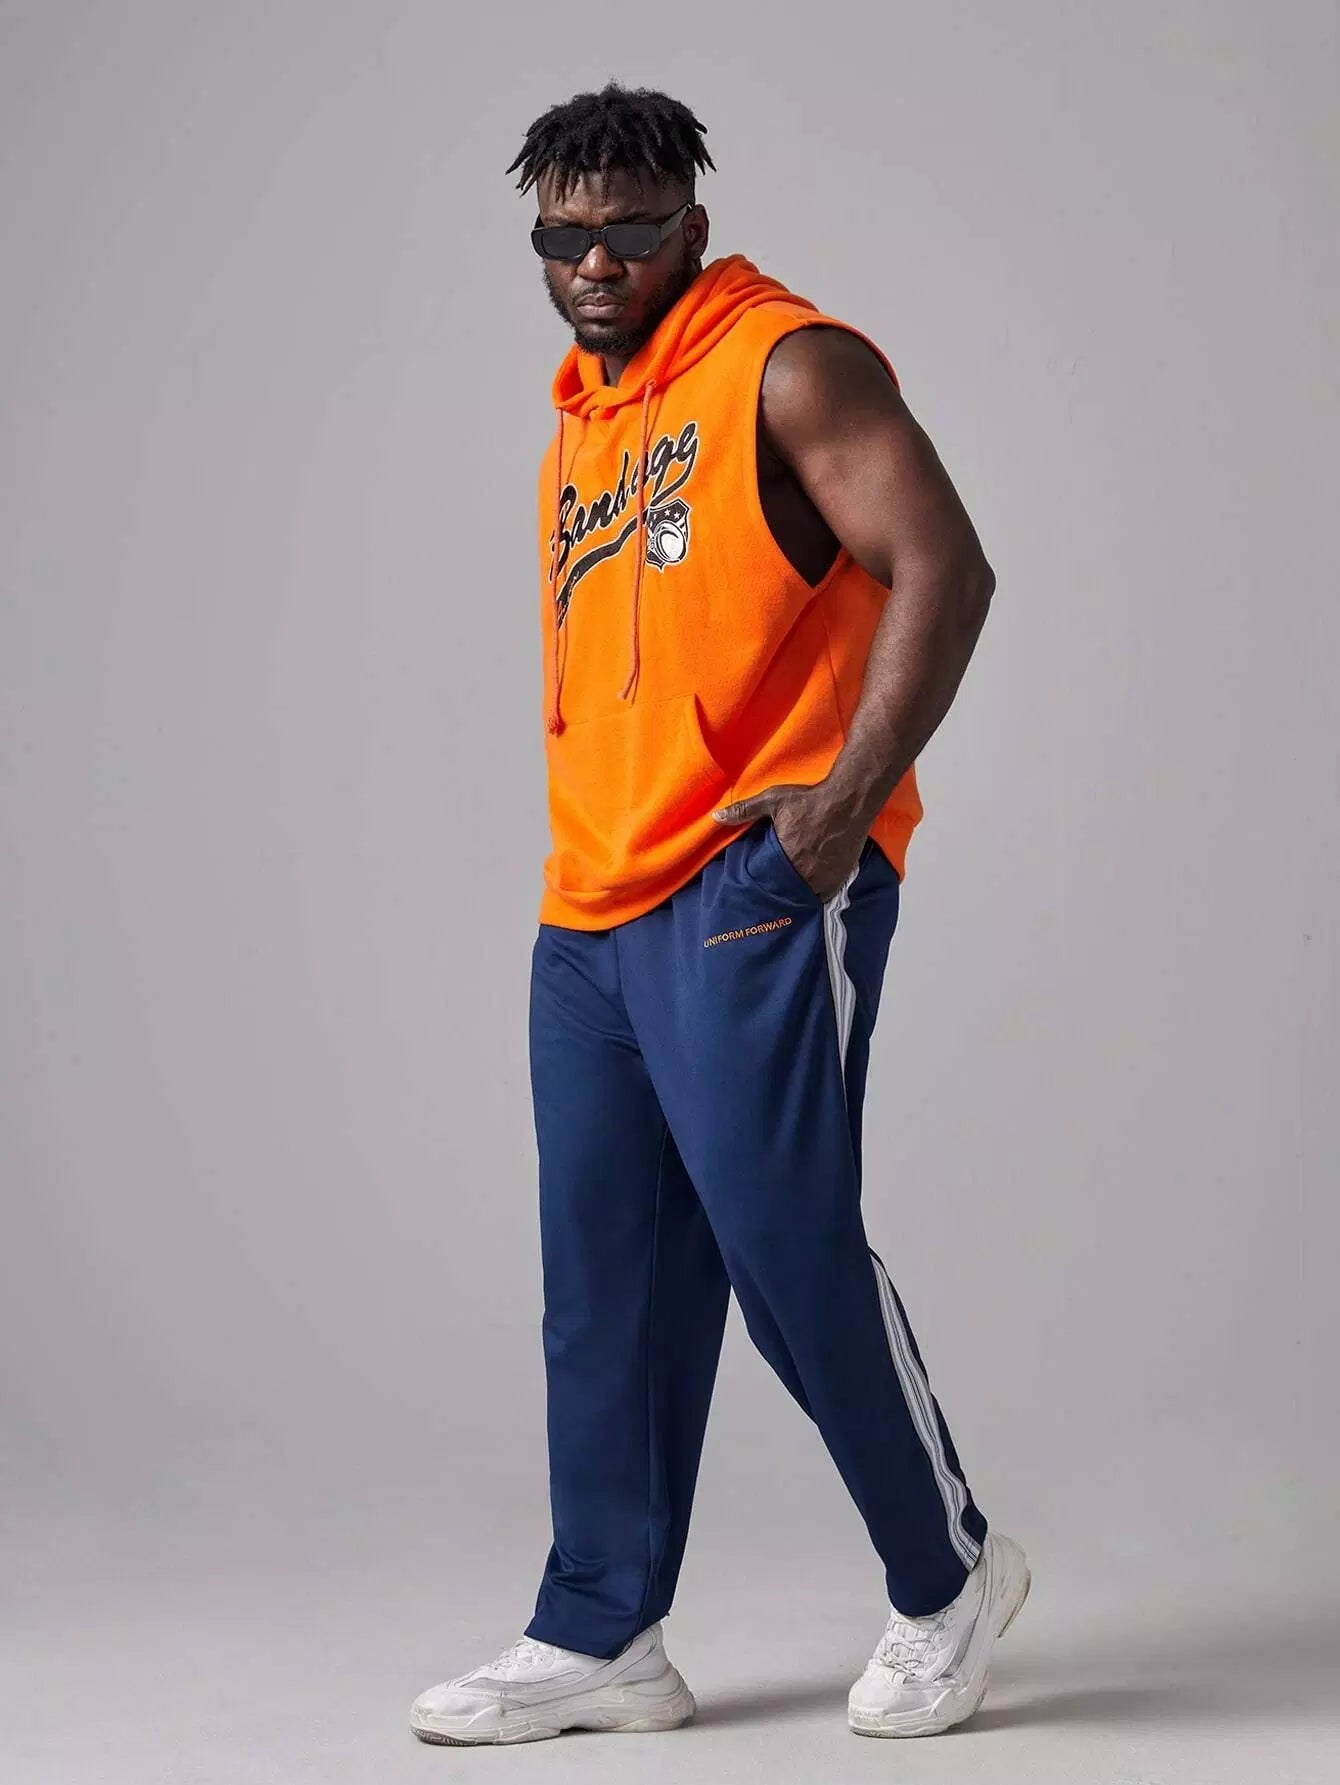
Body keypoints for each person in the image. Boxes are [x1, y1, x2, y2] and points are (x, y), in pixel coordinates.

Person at [411, 80, 1028, 1748]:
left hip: (746, 889)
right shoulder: (587, 415)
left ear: (691, 223)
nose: (595, 263)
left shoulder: (788, 363)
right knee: (605, 1280)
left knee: (783, 1246)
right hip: (589, 910)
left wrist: (837, 811)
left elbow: (946, 564)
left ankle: (950, 1575)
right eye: (564, 237)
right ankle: (602, 1627)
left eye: (630, 230)